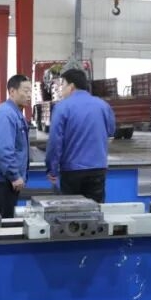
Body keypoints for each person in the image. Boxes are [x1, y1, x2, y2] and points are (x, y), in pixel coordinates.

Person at [45, 68, 116, 202]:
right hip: (98, 169)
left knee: (71, 210)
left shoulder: (62, 107)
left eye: (63, 84)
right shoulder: (103, 106)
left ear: (71, 86)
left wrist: (52, 169)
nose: (61, 89)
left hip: (71, 171)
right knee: (96, 210)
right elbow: (111, 133)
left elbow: (55, 142)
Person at [0, 74, 32, 218]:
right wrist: (14, 176)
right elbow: (3, 149)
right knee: (1, 223)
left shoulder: (15, 114)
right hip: (2, 181)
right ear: (12, 91)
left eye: (30, 91)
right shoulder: (5, 114)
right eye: (25, 91)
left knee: (7, 220)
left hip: (5, 180)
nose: (29, 95)